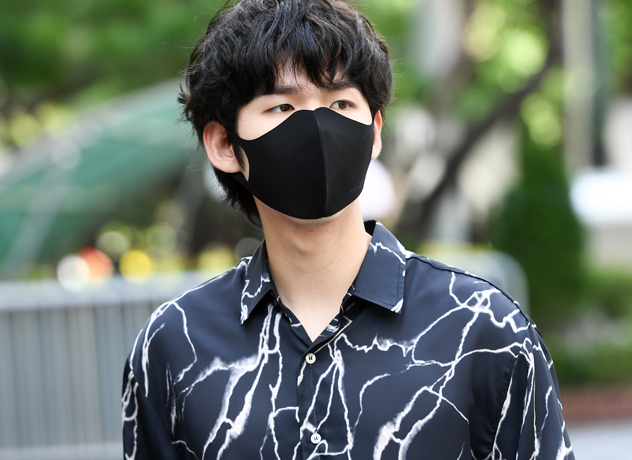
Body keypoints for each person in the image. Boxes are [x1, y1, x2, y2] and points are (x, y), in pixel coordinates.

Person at [122, 0, 575, 459]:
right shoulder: (175, 343)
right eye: (282, 106)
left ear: (374, 132)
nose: (317, 127)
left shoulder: (483, 328)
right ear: (224, 143)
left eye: (340, 103)